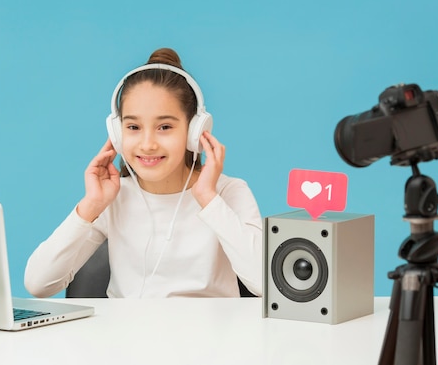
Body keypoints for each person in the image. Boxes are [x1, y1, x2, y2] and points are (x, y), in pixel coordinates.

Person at [24, 47, 263, 298]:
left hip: (214, 336)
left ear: (195, 131)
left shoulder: (228, 192)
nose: (148, 143)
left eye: (164, 126)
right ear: (117, 135)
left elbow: (264, 284)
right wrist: (91, 205)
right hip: (126, 337)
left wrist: (208, 198)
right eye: (134, 126)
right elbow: (39, 284)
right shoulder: (114, 198)